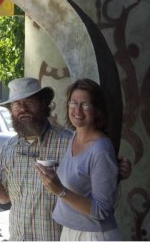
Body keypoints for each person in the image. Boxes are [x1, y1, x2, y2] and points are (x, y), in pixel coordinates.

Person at [0, 77, 130, 241]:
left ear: (44, 103)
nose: (23, 109)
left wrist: (116, 173)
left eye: (29, 102)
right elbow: (3, 197)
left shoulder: (70, 142)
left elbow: (100, 193)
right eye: (16, 104)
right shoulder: (9, 148)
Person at [35, 78, 122, 240]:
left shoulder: (101, 149)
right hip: (71, 231)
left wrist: (60, 191)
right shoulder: (74, 137)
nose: (78, 111)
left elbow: (103, 210)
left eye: (86, 105)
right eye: (73, 103)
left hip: (94, 235)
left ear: (97, 110)